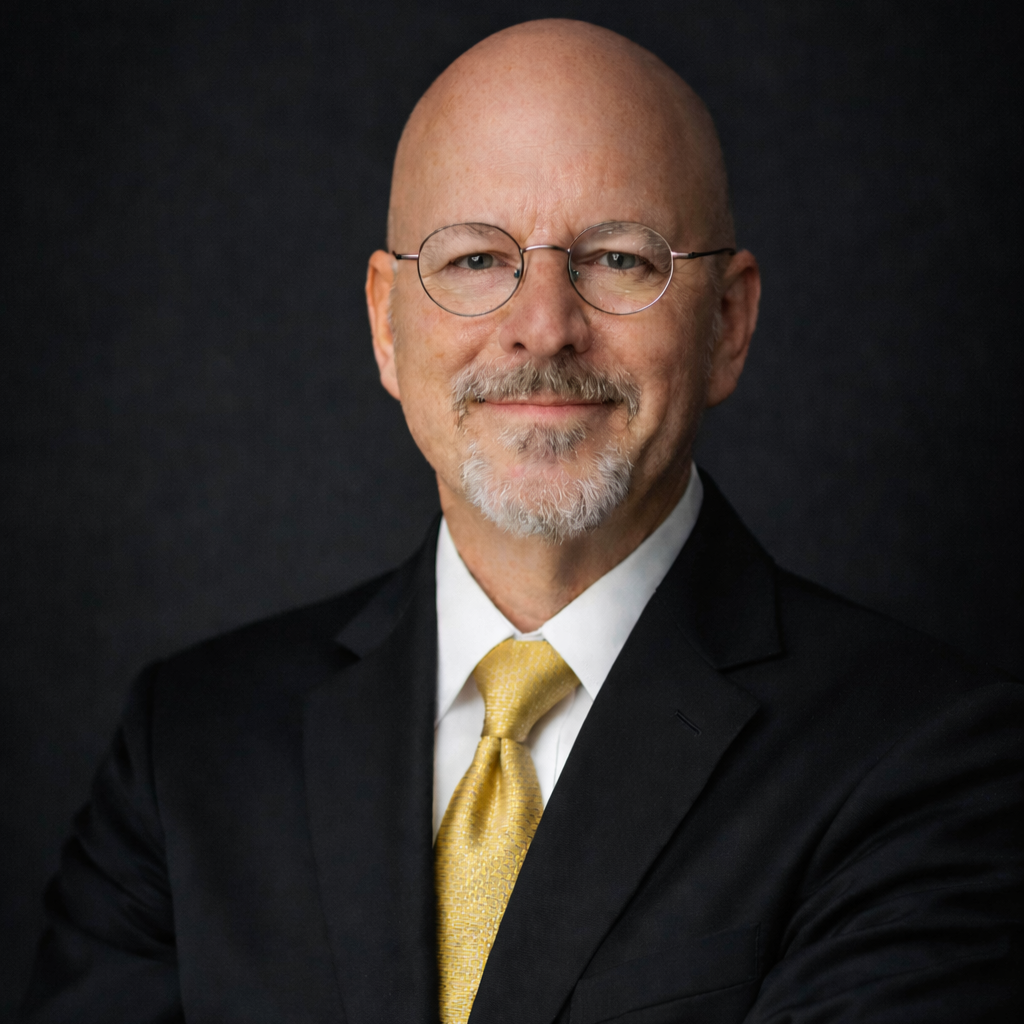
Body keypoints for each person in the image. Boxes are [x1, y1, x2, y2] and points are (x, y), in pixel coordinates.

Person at [21, 19, 1022, 1024]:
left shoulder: (923, 759)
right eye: (471, 260)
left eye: (621, 259)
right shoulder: (189, 748)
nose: (542, 323)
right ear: (384, 322)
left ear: (726, 323)